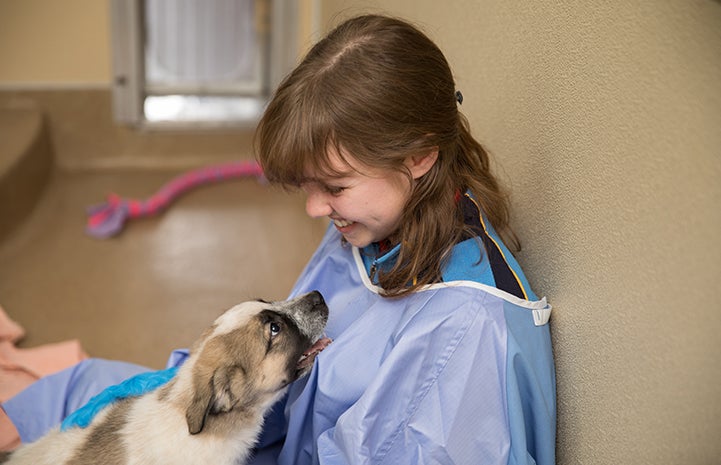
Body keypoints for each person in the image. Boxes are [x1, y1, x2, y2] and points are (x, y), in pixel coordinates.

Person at [1, 14, 555, 465]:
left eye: (333, 186)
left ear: (419, 155)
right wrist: (178, 387)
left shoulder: (465, 333)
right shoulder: (383, 219)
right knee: (73, 394)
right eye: (308, 186)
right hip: (273, 432)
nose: (315, 209)